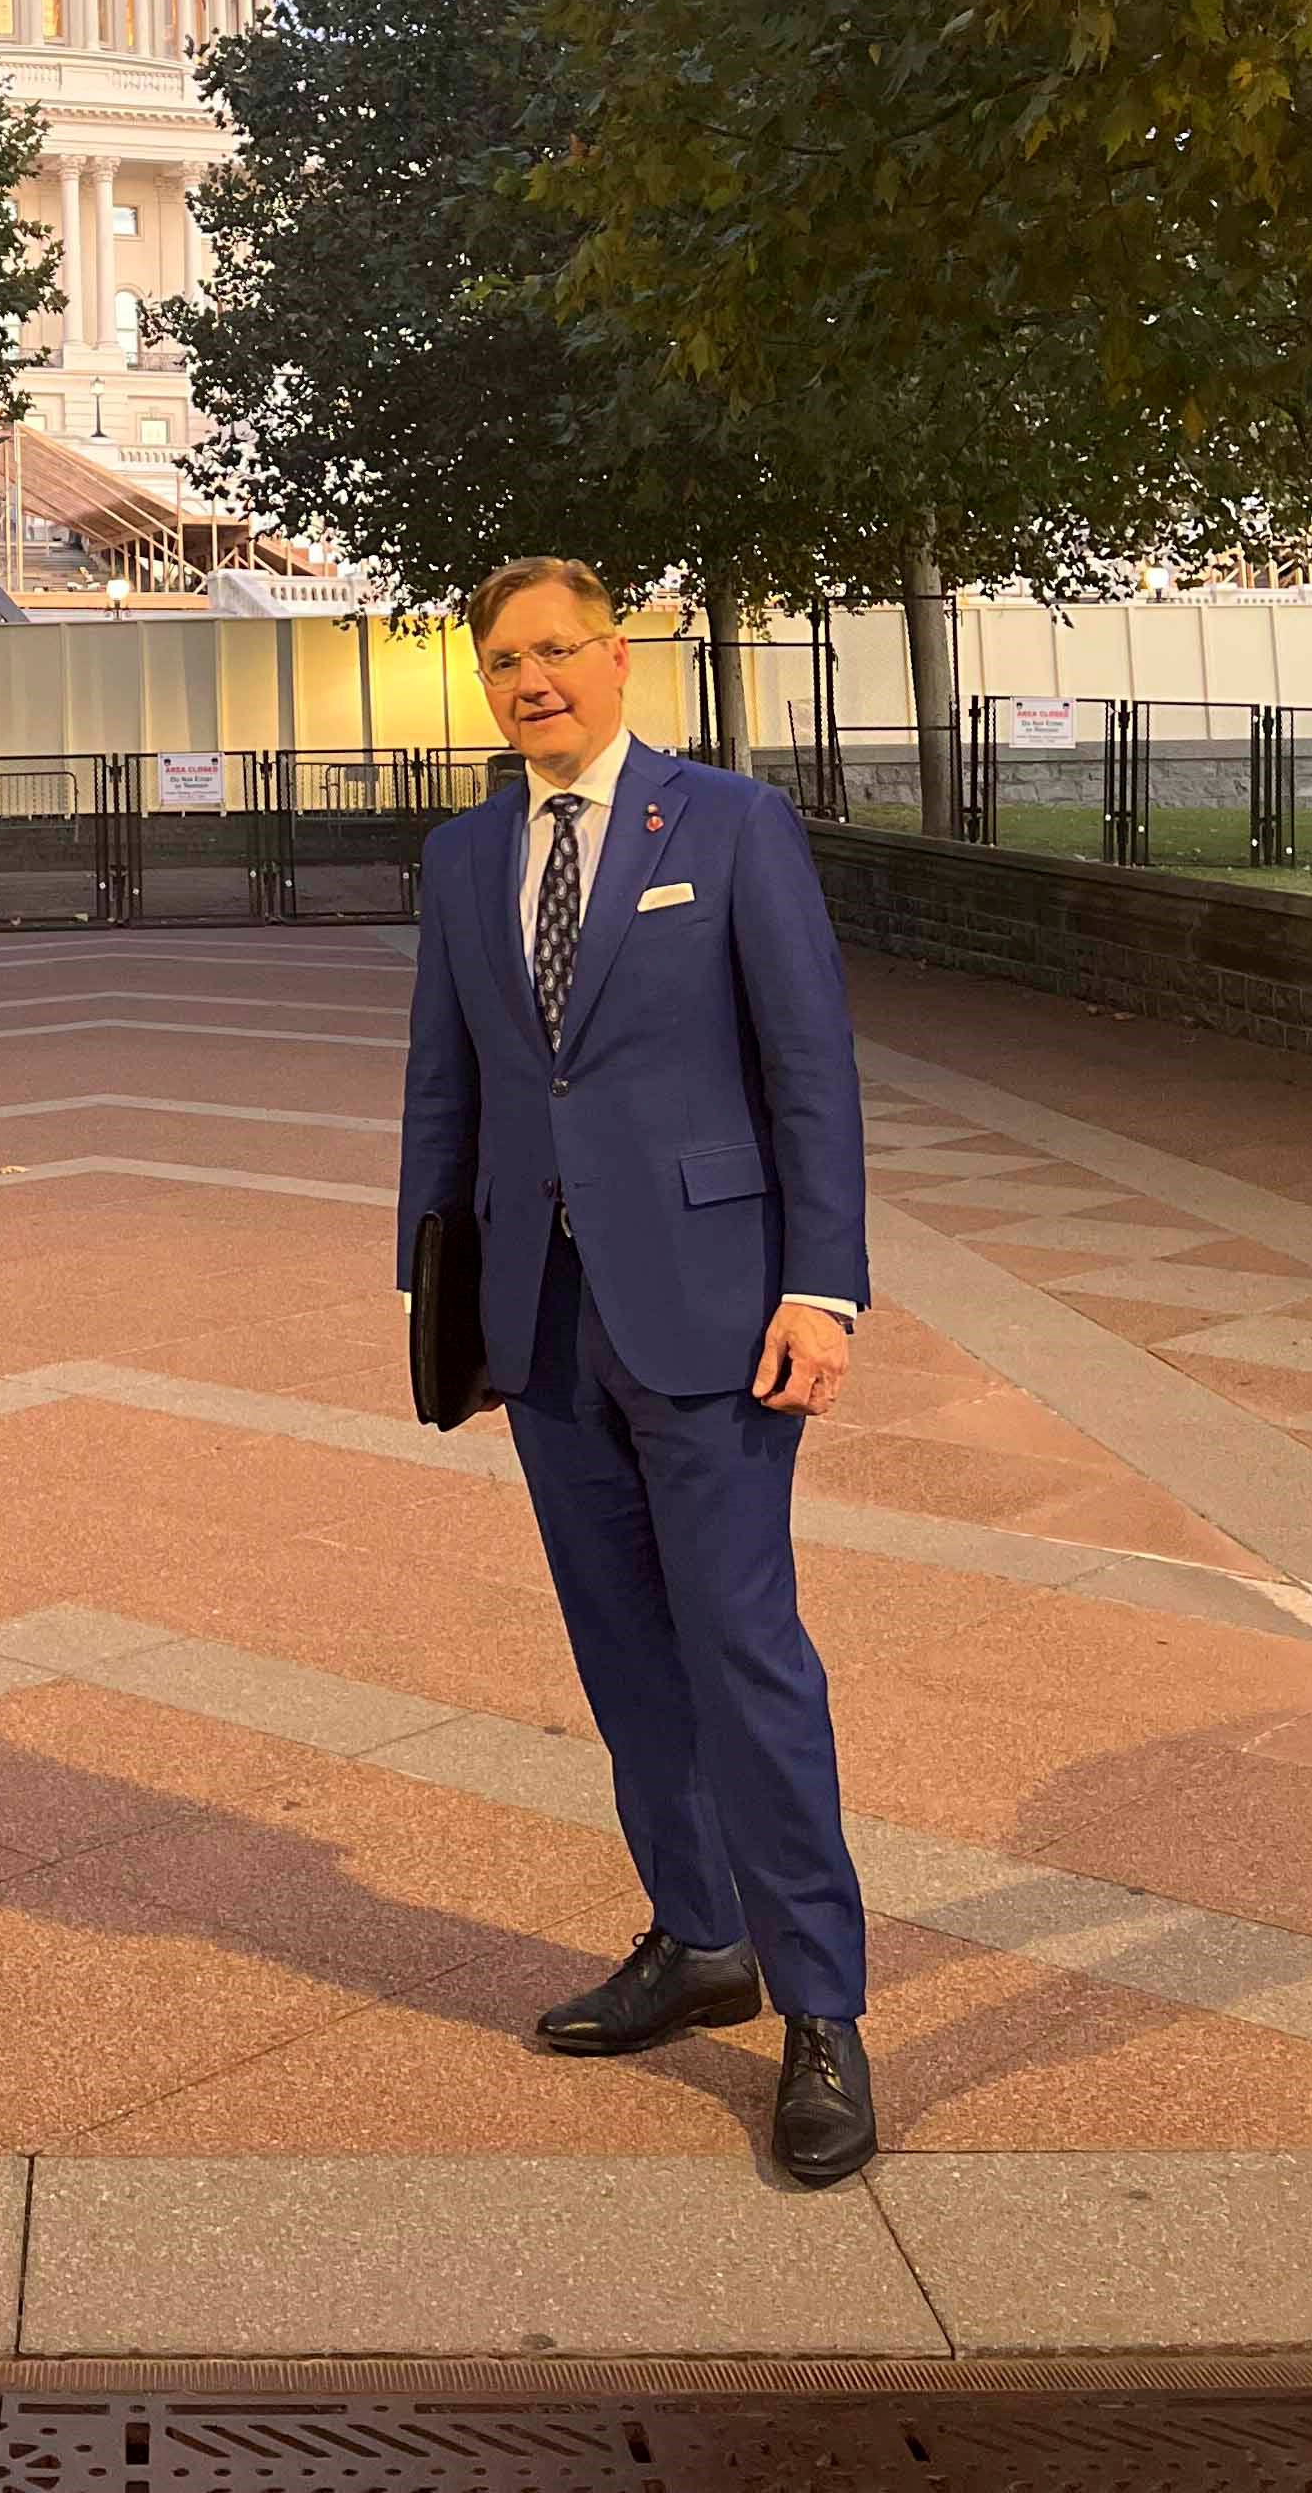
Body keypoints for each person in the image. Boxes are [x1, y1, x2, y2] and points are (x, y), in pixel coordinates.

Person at [397, 554, 877, 2183]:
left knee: (742, 1650)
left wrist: (822, 1285)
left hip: (712, 1309)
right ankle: (698, 1937)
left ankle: (817, 2008)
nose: (528, 680)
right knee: (619, 1655)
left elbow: (807, 1070)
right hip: (540, 1321)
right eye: (498, 662)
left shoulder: (726, 826)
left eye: (551, 650)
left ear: (614, 656)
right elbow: (441, 1085)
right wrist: (436, 1295)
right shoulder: (464, 859)